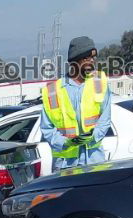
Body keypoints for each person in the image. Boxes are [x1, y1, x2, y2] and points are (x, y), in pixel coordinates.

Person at [40, 36, 112, 171]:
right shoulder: (52, 91)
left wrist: (91, 137)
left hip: (94, 161)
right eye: (87, 58)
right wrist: (66, 143)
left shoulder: (99, 83)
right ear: (74, 61)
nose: (92, 62)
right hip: (65, 165)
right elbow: (47, 129)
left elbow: (105, 120)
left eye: (93, 58)